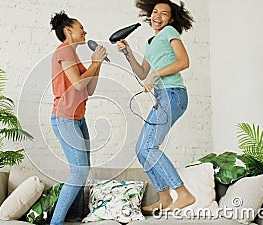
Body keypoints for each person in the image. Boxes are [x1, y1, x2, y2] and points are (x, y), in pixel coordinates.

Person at [116, 0, 195, 213]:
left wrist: (155, 74)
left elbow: (183, 61)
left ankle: (183, 193)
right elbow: (142, 73)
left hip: (173, 94)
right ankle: (164, 197)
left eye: (164, 13)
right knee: (141, 150)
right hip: (162, 96)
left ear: (171, 19)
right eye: (154, 12)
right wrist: (128, 53)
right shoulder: (151, 42)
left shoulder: (170, 32)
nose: (157, 15)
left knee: (149, 147)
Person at [49, 11, 108, 225]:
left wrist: (97, 64)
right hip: (64, 118)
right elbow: (79, 83)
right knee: (80, 171)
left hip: (78, 118)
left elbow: (89, 88)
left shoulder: (74, 56)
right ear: (68, 30)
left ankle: (73, 216)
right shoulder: (64, 51)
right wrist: (94, 62)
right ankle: (56, 222)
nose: (85, 31)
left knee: (83, 170)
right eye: (80, 27)